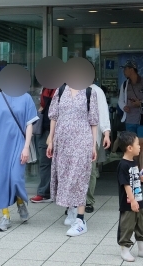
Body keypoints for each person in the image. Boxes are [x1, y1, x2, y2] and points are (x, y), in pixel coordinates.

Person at [0, 66, 38, 231]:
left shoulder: (26, 98)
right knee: (1, 182)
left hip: (19, 144)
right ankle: (5, 216)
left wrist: (26, 147)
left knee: (15, 178)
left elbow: (29, 125)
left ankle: (20, 201)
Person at [47, 67, 98, 237]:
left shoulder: (90, 93)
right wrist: (50, 139)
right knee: (65, 175)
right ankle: (71, 209)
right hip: (62, 142)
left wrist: (92, 145)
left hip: (82, 141)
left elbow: (94, 121)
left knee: (80, 177)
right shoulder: (60, 91)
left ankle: (81, 220)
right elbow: (53, 116)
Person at [116, 131, 143, 262]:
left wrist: (142, 178)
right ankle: (125, 249)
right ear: (129, 148)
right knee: (127, 225)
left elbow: (135, 179)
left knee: (142, 223)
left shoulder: (134, 162)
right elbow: (125, 184)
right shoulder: (123, 165)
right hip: (128, 202)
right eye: (137, 144)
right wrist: (132, 200)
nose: (140, 147)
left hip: (139, 199)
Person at [117, 61, 143, 171]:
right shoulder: (124, 85)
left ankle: (142, 172)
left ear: (131, 69)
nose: (124, 71)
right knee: (131, 146)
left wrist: (141, 104)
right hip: (129, 118)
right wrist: (124, 106)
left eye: (125, 69)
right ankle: (134, 170)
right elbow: (120, 100)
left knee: (142, 145)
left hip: (142, 118)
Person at [86, 82, 112, 213]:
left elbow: (103, 112)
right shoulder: (67, 89)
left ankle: (88, 200)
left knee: (90, 170)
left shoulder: (96, 91)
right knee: (72, 170)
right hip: (71, 139)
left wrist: (106, 132)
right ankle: (72, 202)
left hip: (91, 138)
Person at [29, 85, 56, 203]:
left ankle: (59, 193)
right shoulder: (45, 89)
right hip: (44, 129)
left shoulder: (65, 88)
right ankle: (43, 192)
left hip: (59, 131)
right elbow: (42, 107)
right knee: (44, 163)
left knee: (61, 163)